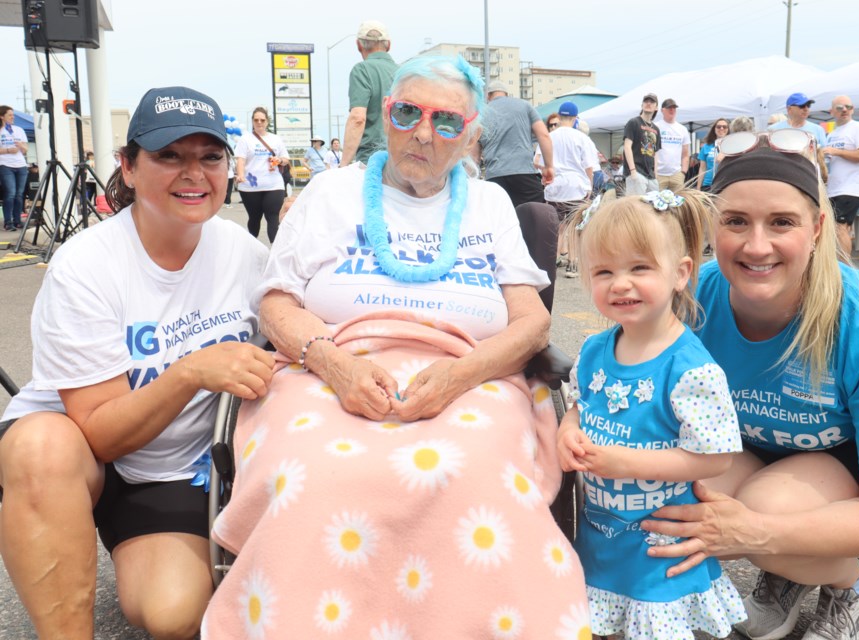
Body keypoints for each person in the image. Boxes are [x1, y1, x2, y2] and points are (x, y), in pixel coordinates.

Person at [202, 55, 590, 638]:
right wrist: (337, 367)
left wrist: (459, 377)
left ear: (471, 133)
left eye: (447, 121)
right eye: (408, 112)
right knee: (316, 473)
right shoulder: (331, 193)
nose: (424, 132)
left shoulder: (488, 204)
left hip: (473, 373)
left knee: (478, 470)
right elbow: (277, 305)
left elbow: (531, 324)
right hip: (328, 367)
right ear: (387, 115)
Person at [640, 137, 859, 640]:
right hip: (771, 444)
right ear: (711, 228)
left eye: (782, 222)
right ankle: (790, 565)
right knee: (667, 496)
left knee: (761, 511)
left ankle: (850, 583)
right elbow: (621, 381)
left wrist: (755, 534)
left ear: (817, 229)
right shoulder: (689, 297)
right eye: (736, 221)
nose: (756, 245)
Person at [0, 86, 273, 639]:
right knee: (38, 448)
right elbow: (100, 434)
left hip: (180, 467)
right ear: (127, 167)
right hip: (91, 454)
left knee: (174, 616)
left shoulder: (248, 255)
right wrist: (191, 370)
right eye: (169, 155)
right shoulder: (86, 265)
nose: (193, 173)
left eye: (209, 156)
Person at [558, 191, 746, 639]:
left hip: (662, 548)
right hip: (603, 537)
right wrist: (568, 430)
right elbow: (581, 407)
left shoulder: (691, 370)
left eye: (639, 268)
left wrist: (627, 464)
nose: (620, 284)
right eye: (604, 271)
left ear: (680, 273)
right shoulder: (594, 350)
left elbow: (716, 458)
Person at [477, 79, 554, 207]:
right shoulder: (525, 105)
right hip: (524, 173)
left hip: (495, 177)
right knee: (535, 217)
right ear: (506, 94)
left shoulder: (482, 113)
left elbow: (475, 147)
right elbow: (544, 135)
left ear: (488, 96)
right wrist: (549, 166)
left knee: (499, 220)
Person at [545, 101, 595, 278]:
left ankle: (552, 261)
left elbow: (537, 161)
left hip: (555, 188)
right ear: (575, 118)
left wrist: (548, 175)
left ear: (558, 117)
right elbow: (589, 166)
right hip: (576, 187)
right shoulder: (582, 138)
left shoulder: (549, 136)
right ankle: (572, 264)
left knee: (556, 227)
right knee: (574, 227)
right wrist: (589, 185)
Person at [340, 19, 398, 166]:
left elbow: (358, 118)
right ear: (389, 45)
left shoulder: (362, 70)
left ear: (359, 45)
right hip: (400, 157)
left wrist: (344, 164)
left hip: (371, 158)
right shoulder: (403, 73)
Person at [823, 95, 859, 256]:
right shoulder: (832, 134)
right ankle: (838, 265)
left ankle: (845, 269)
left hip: (850, 188)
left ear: (852, 109)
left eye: (848, 107)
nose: (844, 110)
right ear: (832, 111)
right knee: (836, 229)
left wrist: (837, 151)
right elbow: (830, 161)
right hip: (834, 188)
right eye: (839, 108)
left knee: (840, 227)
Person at [235, 107, 289, 242]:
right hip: (251, 186)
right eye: (256, 120)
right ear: (252, 121)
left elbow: (285, 159)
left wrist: (279, 160)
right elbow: (240, 159)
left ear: (267, 122)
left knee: (273, 218)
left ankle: (275, 254)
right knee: (254, 218)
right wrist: (240, 175)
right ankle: (252, 249)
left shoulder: (276, 139)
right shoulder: (245, 139)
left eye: (262, 120)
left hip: (273, 185)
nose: (259, 122)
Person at [622, 93, 661, 196]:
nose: (648, 103)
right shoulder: (633, 122)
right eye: (646, 101)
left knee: (654, 208)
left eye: (652, 102)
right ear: (642, 105)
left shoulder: (656, 129)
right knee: (635, 208)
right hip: (636, 172)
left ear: (656, 107)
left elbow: (655, 153)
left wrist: (655, 174)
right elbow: (627, 146)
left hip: (651, 176)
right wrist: (633, 171)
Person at [0, 104, 29, 231]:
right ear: (2, 117)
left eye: (13, 115)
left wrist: (21, 146)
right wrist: (7, 150)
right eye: (9, 115)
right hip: (5, 164)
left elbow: (25, 150)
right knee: (10, 193)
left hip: (21, 165)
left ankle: (17, 220)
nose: (12, 117)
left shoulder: (19, 130)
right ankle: (8, 221)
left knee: (19, 194)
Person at [655, 98, 691, 192]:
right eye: (669, 108)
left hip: (677, 174)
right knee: (656, 203)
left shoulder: (682, 129)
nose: (672, 110)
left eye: (674, 108)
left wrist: (683, 171)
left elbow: (686, 153)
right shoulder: (655, 127)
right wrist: (653, 172)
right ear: (662, 110)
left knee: (679, 203)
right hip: (659, 174)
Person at [696, 118, 728, 192]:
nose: (721, 128)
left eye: (724, 127)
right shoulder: (706, 146)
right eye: (718, 126)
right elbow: (702, 168)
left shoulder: (732, 146)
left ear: (728, 130)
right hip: (708, 184)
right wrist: (698, 188)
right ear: (714, 129)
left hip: (725, 183)